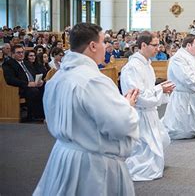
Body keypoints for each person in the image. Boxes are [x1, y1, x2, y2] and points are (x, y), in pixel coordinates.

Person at [33, 23, 140, 195]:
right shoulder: (93, 81)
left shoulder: (57, 77)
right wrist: (127, 106)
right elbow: (120, 125)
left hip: (63, 154)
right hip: (92, 164)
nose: (106, 46)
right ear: (92, 46)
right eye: (104, 42)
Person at [120, 31, 175, 181]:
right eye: (155, 45)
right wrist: (160, 89)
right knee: (145, 154)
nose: (158, 48)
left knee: (161, 141)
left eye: (159, 45)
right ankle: (122, 169)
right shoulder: (132, 67)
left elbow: (149, 89)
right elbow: (138, 96)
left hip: (150, 112)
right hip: (139, 113)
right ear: (143, 45)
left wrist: (161, 88)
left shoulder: (147, 65)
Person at [2, 44, 44, 122]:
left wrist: (39, 81)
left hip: (33, 84)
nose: (21, 54)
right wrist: (27, 84)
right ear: (13, 54)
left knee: (45, 87)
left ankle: (41, 114)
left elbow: (35, 73)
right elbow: (10, 79)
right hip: (20, 87)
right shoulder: (8, 64)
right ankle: (31, 116)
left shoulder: (26, 62)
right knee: (33, 91)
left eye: (22, 52)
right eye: (18, 53)